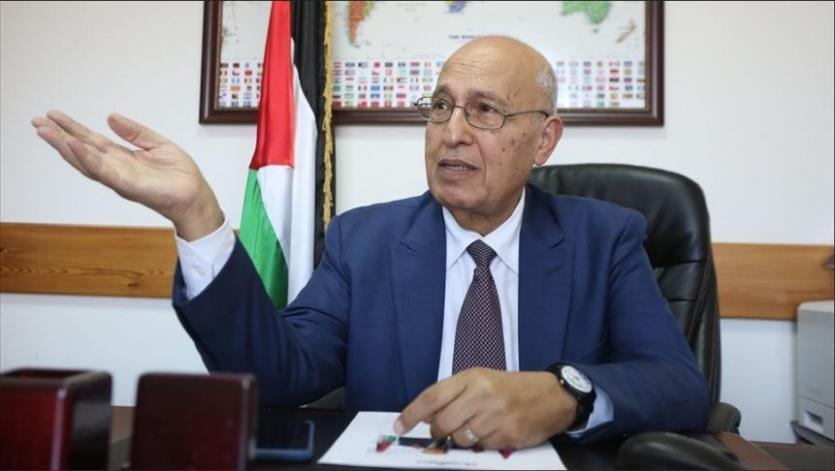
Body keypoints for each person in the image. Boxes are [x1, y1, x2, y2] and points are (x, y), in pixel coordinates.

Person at [31, 36, 708, 450]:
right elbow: (276, 374)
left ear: (544, 140)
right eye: (440, 107)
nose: (452, 132)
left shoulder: (605, 237)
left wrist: (564, 393)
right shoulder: (366, 240)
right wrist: (199, 218)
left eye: (484, 110)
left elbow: (679, 385)